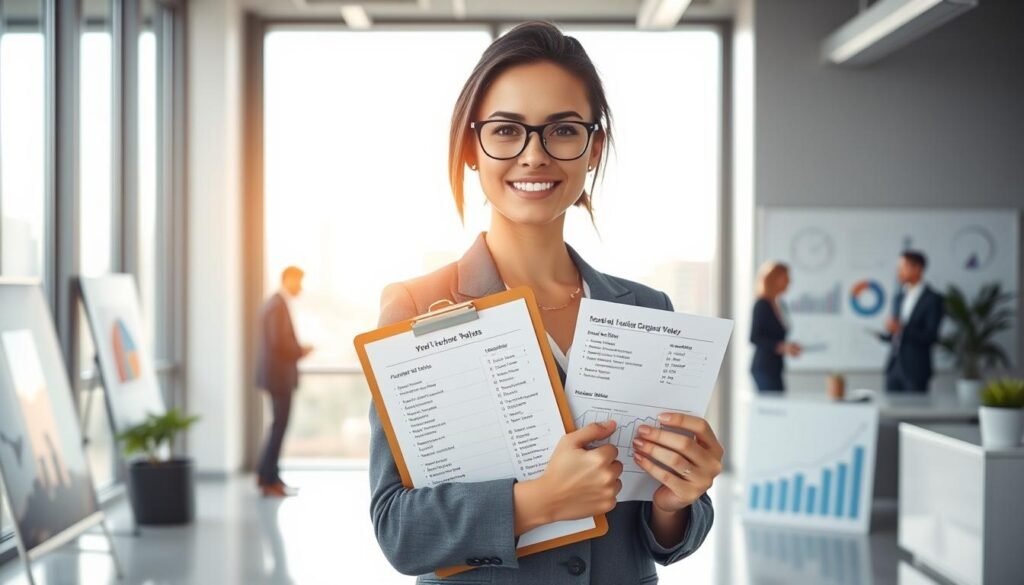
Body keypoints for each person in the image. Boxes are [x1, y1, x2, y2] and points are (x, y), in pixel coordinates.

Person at [369, 22, 721, 584]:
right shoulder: (417, 306)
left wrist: (678, 498)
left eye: (562, 130)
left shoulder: (648, 310)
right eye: (507, 131)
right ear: (470, 148)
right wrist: (539, 501)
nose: (533, 156)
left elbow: (670, 533)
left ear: (592, 148)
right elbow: (399, 531)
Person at [256, 266, 313, 497]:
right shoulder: (277, 305)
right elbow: (279, 343)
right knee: (279, 427)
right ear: (288, 279)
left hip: (276, 377)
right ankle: (268, 479)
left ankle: (269, 476)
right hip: (278, 378)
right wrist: (302, 351)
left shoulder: (276, 303)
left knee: (277, 426)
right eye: (298, 281)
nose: (300, 287)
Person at [881, 251, 944, 392]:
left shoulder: (933, 299)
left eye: (903, 268)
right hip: (894, 367)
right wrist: (887, 334)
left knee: (914, 413)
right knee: (891, 411)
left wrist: (902, 329)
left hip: (916, 369)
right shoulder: (899, 297)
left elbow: (931, 336)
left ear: (917, 268)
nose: (899, 272)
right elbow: (897, 334)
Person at [749, 262, 801, 392]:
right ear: (773, 279)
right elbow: (754, 337)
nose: (789, 281)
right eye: (786, 277)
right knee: (772, 408)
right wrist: (782, 347)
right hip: (764, 367)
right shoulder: (762, 304)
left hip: (777, 367)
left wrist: (789, 347)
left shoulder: (781, 304)